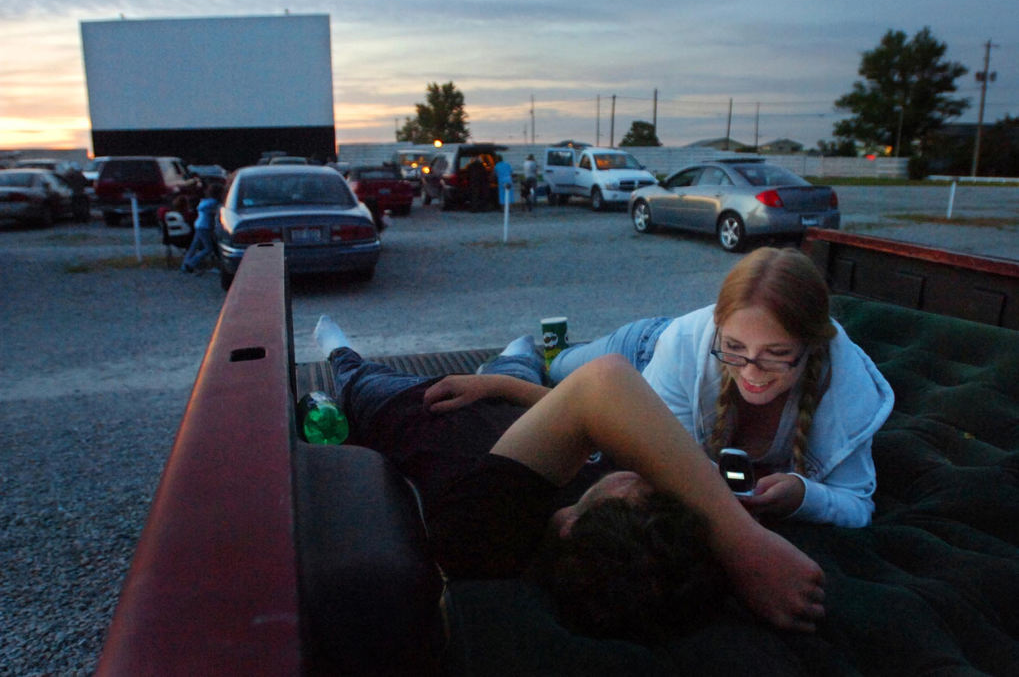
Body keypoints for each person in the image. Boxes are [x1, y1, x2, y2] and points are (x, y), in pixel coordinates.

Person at [313, 315, 826, 639]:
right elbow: (582, 419)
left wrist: (745, 544)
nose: (644, 482)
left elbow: (601, 384)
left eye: (632, 495)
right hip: (511, 399)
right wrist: (497, 385)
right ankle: (517, 356)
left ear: (566, 526)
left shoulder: (487, 531)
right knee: (517, 367)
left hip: (414, 404)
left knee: (355, 373)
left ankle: (338, 350)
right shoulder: (613, 521)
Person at [504, 247, 894, 528]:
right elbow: (657, 461)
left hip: (674, 348)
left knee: (564, 378)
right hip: (642, 347)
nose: (753, 372)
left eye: (776, 354)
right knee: (560, 368)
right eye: (735, 349)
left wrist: (802, 495)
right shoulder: (686, 343)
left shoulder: (844, 384)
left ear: (811, 346)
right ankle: (515, 358)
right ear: (717, 329)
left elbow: (857, 504)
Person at [180, 183, 222, 274]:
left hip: (198, 224)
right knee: (208, 248)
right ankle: (191, 264)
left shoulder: (204, 201)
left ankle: (185, 264)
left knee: (193, 246)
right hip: (205, 227)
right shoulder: (214, 203)